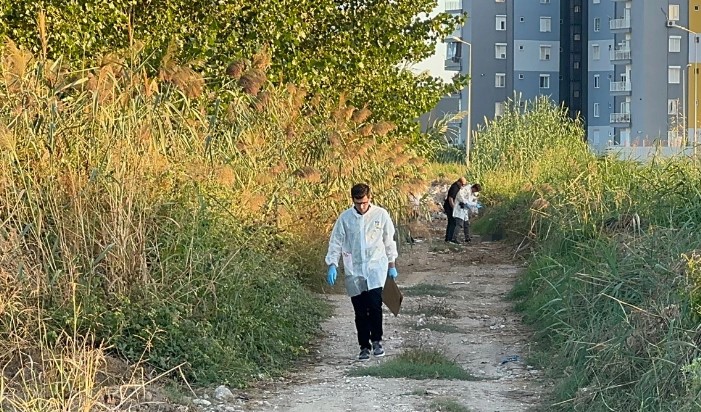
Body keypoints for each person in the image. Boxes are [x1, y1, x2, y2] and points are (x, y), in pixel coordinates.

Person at [325, 183, 399, 361]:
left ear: (370, 198)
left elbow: (389, 240)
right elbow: (336, 241)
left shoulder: (380, 215)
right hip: (354, 268)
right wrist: (332, 264)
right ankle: (363, 346)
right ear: (353, 201)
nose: (361, 207)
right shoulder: (345, 218)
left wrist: (392, 264)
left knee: (375, 306)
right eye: (358, 203)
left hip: (375, 268)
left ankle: (377, 341)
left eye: (364, 202)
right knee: (360, 310)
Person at [443, 177, 466, 244]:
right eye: (462, 184)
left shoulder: (457, 186)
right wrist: (453, 208)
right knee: (453, 222)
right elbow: (450, 199)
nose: (463, 186)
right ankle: (450, 239)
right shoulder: (455, 187)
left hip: (450, 206)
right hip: (449, 207)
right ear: (459, 182)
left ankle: (448, 238)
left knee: (451, 222)